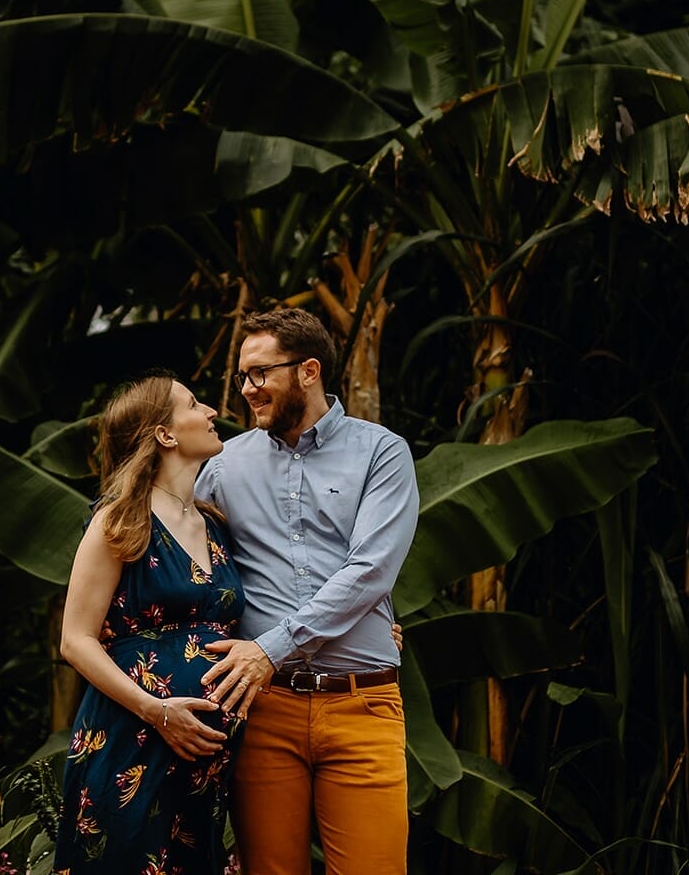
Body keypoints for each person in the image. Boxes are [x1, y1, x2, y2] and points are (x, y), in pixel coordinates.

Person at [196, 307, 419, 875]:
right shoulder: (223, 465)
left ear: (309, 371)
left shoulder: (382, 452)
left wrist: (269, 648)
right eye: (242, 376)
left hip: (362, 702)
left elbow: (371, 569)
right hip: (264, 710)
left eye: (258, 374)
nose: (246, 390)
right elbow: (177, 554)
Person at [53, 375, 242, 875]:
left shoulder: (216, 521)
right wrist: (157, 711)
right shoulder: (120, 519)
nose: (211, 411)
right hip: (133, 740)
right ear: (165, 435)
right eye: (194, 404)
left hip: (206, 763)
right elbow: (75, 640)